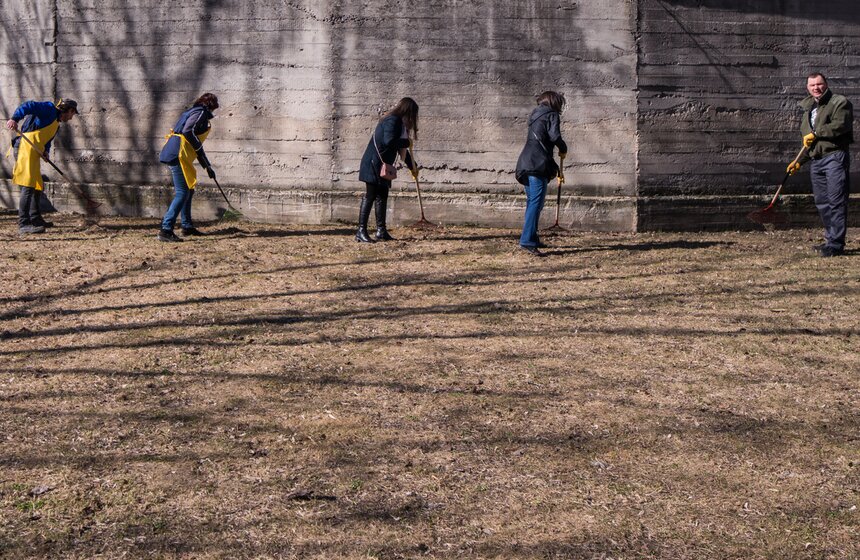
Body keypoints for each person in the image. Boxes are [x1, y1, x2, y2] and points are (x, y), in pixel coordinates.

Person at [787, 72, 853, 257]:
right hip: (816, 161)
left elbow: (840, 125)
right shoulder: (808, 109)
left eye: (819, 84)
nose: (816, 88)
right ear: (807, 88)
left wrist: (817, 133)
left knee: (836, 201)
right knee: (822, 202)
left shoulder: (839, 102)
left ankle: (836, 245)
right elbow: (808, 143)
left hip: (834, 157)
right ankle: (830, 240)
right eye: (812, 85)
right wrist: (798, 163)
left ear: (826, 84)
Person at [5, 98, 78, 234]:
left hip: (34, 150)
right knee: (27, 186)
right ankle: (24, 224)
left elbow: (47, 140)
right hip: (24, 148)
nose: (72, 117)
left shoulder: (56, 122)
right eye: (73, 114)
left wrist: (46, 151)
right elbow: (29, 105)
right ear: (70, 110)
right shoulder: (49, 109)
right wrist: (15, 118)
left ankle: (35, 219)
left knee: (38, 185)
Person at [157, 93, 219, 242]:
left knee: (188, 190)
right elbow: (188, 132)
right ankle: (166, 230)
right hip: (177, 154)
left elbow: (195, 144)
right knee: (182, 192)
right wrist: (203, 159)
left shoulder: (194, 112)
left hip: (179, 153)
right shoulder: (200, 113)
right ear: (210, 105)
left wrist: (207, 166)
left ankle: (187, 226)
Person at [356, 97, 418, 243]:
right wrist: (407, 142)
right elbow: (388, 141)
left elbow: (401, 149)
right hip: (373, 164)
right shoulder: (393, 120)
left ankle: (381, 231)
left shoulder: (400, 124)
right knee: (370, 196)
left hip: (382, 165)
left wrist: (412, 166)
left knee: (382, 197)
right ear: (408, 111)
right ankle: (360, 231)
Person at [515, 91, 568, 256]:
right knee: (536, 203)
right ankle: (527, 241)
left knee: (533, 203)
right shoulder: (551, 115)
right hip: (538, 164)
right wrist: (563, 147)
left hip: (525, 162)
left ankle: (532, 237)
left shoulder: (535, 115)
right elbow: (554, 136)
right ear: (555, 102)